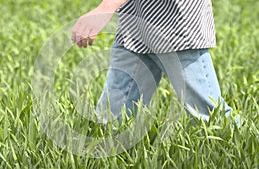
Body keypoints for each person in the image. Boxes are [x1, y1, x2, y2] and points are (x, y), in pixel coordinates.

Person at [71, 0, 236, 125]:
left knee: (210, 118)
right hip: (134, 24)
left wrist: (106, 7)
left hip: (174, 25)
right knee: (111, 119)